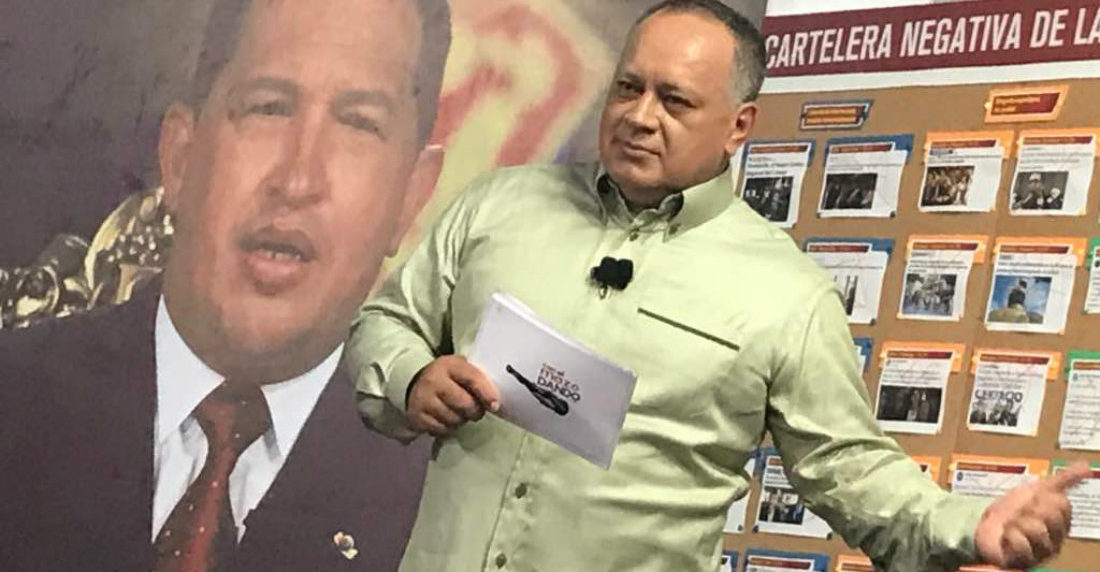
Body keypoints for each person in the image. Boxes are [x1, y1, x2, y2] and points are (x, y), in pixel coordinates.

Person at [349, 1, 1090, 571]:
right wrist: (412, 378)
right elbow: (387, 322)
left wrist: (968, 524)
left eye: (674, 101)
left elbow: (848, 466)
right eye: (628, 88)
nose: (639, 117)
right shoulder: (497, 206)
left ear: (738, 126)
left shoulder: (786, 295)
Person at [0, 0, 450, 570]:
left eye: (359, 123)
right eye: (269, 108)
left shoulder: (452, 509)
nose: (297, 180)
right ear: (180, 157)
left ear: (412, 195)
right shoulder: (16, 400)